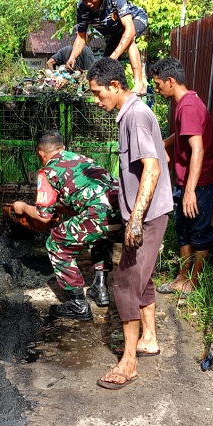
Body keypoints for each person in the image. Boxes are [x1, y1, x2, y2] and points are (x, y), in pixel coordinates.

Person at [87, 58, 173, 389]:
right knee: (143, 278)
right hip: (151, 213)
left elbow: (152, 168)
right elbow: (162, 159)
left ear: (114, 86)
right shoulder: (135, 114)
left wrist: (135, 219)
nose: (97, 100)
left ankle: (128, 362)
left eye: (98, 93)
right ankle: (148, 338)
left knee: (123, 284)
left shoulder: (135, 117)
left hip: (147, 218)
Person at [11, 130, 121, 320]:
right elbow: (90, 199)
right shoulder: (81, 159)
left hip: (100, 216)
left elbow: (43, 216)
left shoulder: (48, 170)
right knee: (100, 234)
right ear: (63, 147)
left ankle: (78, 304)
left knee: (55, 242)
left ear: (40, 153)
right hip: (126, 214)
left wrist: (22, 207)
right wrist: (61, 209)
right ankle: (100, 287)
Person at [149, 57, 213, 295]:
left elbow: (198, 149)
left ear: (170, 81)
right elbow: (184, 133)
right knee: (183, 229)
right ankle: (182, 276)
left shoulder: (188, 107)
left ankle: (193, 282)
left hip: (199, 184)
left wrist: (190, 190)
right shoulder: (187, 102)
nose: (158, 90)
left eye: (158, 84)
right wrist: (164, 144)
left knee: (199, 233)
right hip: (187, 181)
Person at [67, 0, 148, 94]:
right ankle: (116, 91)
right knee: (105, 67)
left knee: (129, 40)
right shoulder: (81, 8)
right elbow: (81, 37)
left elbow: (129, 29)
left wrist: (114, 57)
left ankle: (139, 84)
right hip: (114, 34)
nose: (88, 3)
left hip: (135, 19)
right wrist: (72, 56)